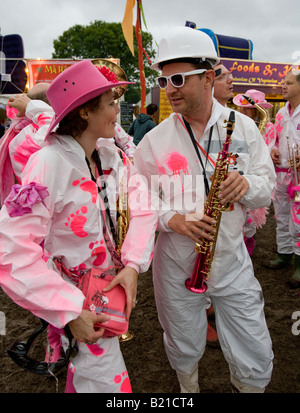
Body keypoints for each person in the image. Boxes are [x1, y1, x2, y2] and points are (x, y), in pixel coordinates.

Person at [0, 60, 157, 393]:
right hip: (79, 304)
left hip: (106, 292)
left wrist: (132, 265)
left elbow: (143, 206)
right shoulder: (48, 163)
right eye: (112, 102)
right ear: (85, 112)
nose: (119, 109)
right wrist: (68, 311)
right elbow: (11, 248)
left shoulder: (108, 155)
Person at [134, 26, 275, 393]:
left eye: (178, 78)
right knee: (182, 342)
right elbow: (138, 198)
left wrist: (248, 186)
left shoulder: (243, 128)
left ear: (209, 77)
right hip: (177, 265)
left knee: (254, 347)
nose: (170, 89)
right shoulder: (153, 141)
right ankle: (188, 389)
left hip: (231, 262)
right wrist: (173, 220)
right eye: (164, 81)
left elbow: (267, 186)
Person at [268, 68, 300, 287]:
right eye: (283, 82)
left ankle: (299, 264)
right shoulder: (280, 113)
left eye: (288, 83)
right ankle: (284, 254)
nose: (283, 86)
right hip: (281, 173)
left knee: (298, 220)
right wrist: (272, 148)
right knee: (281, 215)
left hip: (299, 176)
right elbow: (273, 139)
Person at [233, 89, 275, 256]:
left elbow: (268, 149)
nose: (243, 111)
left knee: (252, 213)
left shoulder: (269, 127)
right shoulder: (237, 124)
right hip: (240, 171)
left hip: (257, 172)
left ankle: (248, 245)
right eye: (242, 108)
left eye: (248, 108)